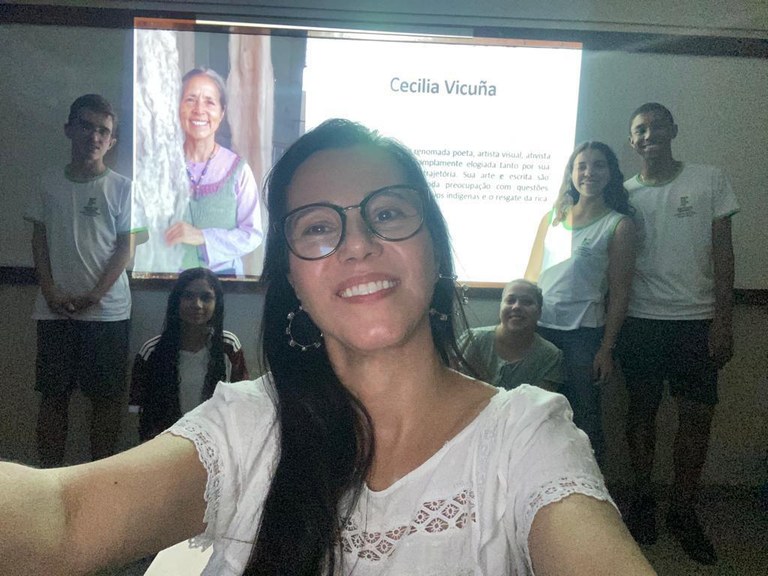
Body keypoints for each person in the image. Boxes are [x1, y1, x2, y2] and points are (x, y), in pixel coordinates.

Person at [0, 119, 656, 576]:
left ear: (435, 247)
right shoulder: (246, 425)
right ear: (292, 279)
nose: (358, 243)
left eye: (388, 213)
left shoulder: (527, 435)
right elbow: (62, 519)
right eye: (317, 227)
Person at [617, 103, 739, 565]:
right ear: (632, 141)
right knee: (640, 416)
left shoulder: (709, 179)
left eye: (656, 126)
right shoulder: (624, 195)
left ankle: (683, 511)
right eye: (640, 129)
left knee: (696, 421)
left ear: (673, 130)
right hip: (640, 320)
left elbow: (724, 254)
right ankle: (643, 501)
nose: (649, 134)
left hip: (697, 321)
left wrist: (724, 320)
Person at [23, 94, 147, 468]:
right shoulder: (47, 183)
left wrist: (95, 295)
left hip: (107, 313)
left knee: (106, 401)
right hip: (55, 310)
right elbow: (39, 240)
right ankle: (48, 481)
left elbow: (125, 249)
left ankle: (100, 484)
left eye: (103, 131)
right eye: (86, 126)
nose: (94, 136)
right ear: (69, 129)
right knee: (53, 397)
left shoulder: (125, 188)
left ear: (112, 141)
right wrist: (49, 290)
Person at [525, 141, 637, 466]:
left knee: (584, 416)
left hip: (584, 336)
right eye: (582, 166)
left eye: (598, 165)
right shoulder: (552, 218)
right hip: (540, 330)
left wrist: (606, 349)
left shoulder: (618, 225)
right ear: (571, 173)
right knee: (537, 413)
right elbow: (531, 275)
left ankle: (589, 486)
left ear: (611, 173)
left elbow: (620, 293)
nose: (589, 172)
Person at [129, 267, 249, 441]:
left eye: (206, 297)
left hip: (216, 442)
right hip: (165, 444)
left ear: (217, 303)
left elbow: (241, 404)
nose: (197, 305)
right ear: (176, 301)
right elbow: (142, 415)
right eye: (188, 296)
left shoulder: (229, 347)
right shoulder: (152, 352)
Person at [165, 68, 263, 276]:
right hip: (169, 279)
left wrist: (202, 236)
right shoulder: (162, 166)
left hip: (224, 281)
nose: (199, 110)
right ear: (178, 107)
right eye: (190, 100)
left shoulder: (238, 170)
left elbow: (252, 234)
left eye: (209, 102)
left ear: (222, 112)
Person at [458, 279, 564, 391]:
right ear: (500, 307)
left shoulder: (550, 356)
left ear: (539, 312)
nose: (516, 306)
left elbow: (543, 400)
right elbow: (449, 381)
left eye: (526, 302)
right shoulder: (473, 339)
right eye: (510, 300)